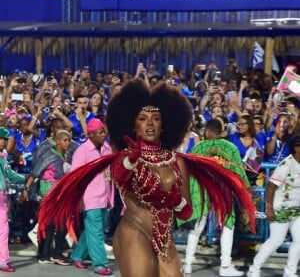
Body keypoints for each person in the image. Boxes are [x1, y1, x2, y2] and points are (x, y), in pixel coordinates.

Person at [38, 78, 256, 277]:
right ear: (134, 125)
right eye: (143, 119)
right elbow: (120, 175)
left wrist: (176, 202)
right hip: (134, 232)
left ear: (164, 125)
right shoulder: (124, 158)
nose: (150, 124)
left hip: (164, 239)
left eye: (156, 119)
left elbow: (187, 210)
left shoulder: (177, 161)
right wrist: (131, 161)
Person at [183, 119, 250, 276]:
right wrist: (246, 190)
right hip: (222, 191)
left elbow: (188, 171)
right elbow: (240, 173)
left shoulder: (198, 147)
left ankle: (187, 264)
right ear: (221, 132)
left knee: (197, 227)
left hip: (202, 191)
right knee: (228, 226)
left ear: (206, 131)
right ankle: (225, 267)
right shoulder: (230, 147)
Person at [247, 135, 300, 277]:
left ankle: (290, 272)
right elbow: (270, 186)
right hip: (281, 208)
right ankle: (254, 268)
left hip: (297, 209)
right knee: (276, 240)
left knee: (299, 241)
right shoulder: (286, 164)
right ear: (296, 148)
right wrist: (269, 209)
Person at [70, 118, 114, 275]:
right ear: (91, 134)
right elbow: (75, 178)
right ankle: (100, 264)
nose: (104, 134)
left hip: (105, 195)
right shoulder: (82, 151)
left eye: (104, 131)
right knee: (96, 231)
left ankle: (77, 255)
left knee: (95, 229)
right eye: (100, 132)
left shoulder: (107, 149)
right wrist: (79, 198)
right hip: (89, 196)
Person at [32, 129, 73, 265]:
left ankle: (48, 254)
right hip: (49, 195)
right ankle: (49, 254)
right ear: (57, 140)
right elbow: (35, 173)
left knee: (57, 225)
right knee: (52, 225)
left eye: (68, 140)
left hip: (61, 195)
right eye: (64, 140)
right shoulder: (48, 155)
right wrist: (27, 188)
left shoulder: (65, 155)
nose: (68, 143)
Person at [0, 127, 25, 272]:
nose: (2, 142)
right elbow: (10, 175)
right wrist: (28, 179)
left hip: (1, 195)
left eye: (4, 139)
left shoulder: (2, 156)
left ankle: (3, 261)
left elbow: (10, 175)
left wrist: (27, 179)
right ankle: (2, 261)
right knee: (3, 229)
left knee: (3, 228)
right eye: (0, 139)